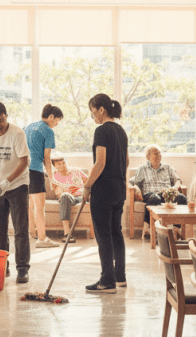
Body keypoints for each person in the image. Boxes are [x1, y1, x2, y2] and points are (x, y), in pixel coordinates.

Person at [0, 101, 31, 284]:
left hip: (17, 184)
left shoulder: (17, 133)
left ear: (6, 116)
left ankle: (22, 269)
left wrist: (8, 180)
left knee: (20, 229)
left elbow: (24, 161)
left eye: (0, 120)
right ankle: (3, 266)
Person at [84, 93, 128, 294]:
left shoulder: (101, 131)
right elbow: (126, 162)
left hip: (103, 190)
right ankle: (120, 277)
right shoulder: (121, 131)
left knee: (103, 235)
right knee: (116, 232)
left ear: (101, 110)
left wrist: (87, 185)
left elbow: (100, 162)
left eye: (93, 112)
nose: (93, 116)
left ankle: (107, 281)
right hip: (119, 188)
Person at [24, 104, 64, 249]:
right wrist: (52, 178)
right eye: (57, 121)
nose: (56, 125)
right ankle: (42, 238)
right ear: (51, 117)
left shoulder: (28, 127)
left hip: (23, 170)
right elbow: (47, 157)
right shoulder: (47, 131)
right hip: (35, 170)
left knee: (31, 204)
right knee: (40, 207)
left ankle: (31, 233)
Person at [129, 144, 186, 239]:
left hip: (167, 194)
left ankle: (176, 230)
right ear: (148, 157)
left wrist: (175, 188)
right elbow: (133, 182)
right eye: (156, 154)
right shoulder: (142, 169)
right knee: (154, 198)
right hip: (150, 194)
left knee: (182, 198)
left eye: (160, 153)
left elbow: (177, 180)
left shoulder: (167, 167)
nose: (159, 156)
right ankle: (147, 229)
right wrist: (136, 187)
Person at [51, 155, 88, 242]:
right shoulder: (54, 177)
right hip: (67, 197)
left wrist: (84, 190)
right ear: (54, 166)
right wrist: (67, 192)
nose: (62, 165)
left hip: (81, 196)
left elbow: (89, 181)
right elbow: (58, 193)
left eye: (63, 163)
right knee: (65, 196)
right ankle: (67, 234)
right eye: (59, 164)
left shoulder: (77, 171)